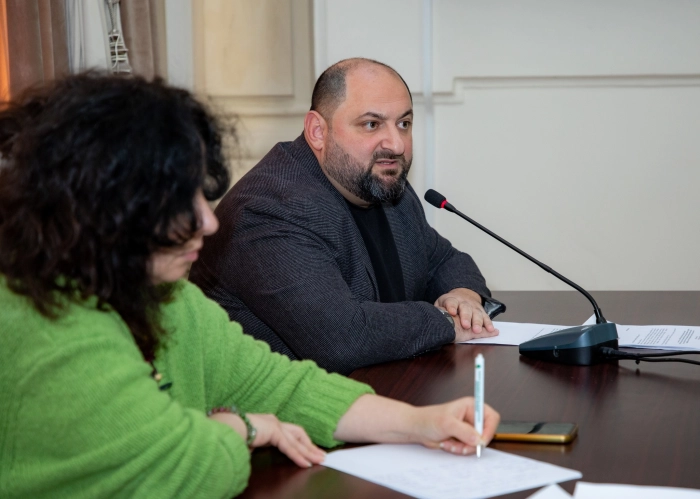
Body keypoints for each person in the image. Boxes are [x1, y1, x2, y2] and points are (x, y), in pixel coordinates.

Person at [0, 73, 499, 498]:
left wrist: (421, 424)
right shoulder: (50, 327)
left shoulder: (171, 300)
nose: (209, 221)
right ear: (102, 206)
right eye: (182, 201)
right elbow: (187, 470)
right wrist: (240, 427)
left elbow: (281, 385)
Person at [189, 58, 505, 375]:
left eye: (404, 124)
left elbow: (444, 260)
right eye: (372, 124)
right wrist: (445, 321)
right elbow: (343, 338)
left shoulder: (383, 186)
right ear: (317, 131)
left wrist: (463, 297)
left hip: (384, 384)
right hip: (275, 403)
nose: (396, 145)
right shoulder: (270, 209)